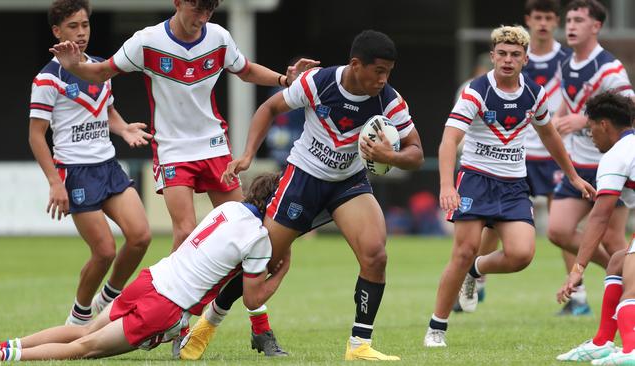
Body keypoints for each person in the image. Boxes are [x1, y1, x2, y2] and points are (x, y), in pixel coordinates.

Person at [49, 0, 317, 355]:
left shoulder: (218, 37)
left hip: (214, 147)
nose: (202, 17)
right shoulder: (146, 41)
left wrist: (285, 79)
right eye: (197, 8)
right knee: (186, 233)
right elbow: (101, 73)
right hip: (174, 150)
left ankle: (258, 329)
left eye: (209, 10)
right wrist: (75, 66)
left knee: (255, 236)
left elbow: (247, 70)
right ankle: (181, 328)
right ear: (178, 3)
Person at [219, 30, 424, 361]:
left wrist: (391, 157)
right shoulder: (318, 83)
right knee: (263, 261)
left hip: (348, 183)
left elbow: (416, 152)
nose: (384, 79)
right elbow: (269, 109)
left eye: (389, 72)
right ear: (356, 65)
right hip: (304, 178)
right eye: (379, 71)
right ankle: (209, 321)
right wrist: (245, 155)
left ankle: (359, 345)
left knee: (375, 255)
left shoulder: (389, 99)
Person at [0, 173, 288, 362]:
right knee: (87, 346)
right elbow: (252, 298)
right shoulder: (259, 238)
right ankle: (4, 355)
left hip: (151, 278)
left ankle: (1, 345)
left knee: (86, 329)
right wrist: (282, 270)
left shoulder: (228, 207)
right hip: (165, 304)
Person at [423, 25, 595, 348]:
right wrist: (447, 185)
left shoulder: (534, 93)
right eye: (501, 53)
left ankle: (476, 271)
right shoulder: (476, 91)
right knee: (461, 252)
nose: (507, 59)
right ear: (492, 56)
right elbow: (449, 141)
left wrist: (572, 176)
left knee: (521, 254)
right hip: (475, 179)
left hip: (515, 183)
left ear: (525, 59)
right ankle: (437, 327)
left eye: (515, 54)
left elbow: (549, 135)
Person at [29, 0, 152, 326]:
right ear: (57, 32)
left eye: (84, 25)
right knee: (105, 251)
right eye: (72, 26)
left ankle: (108, 298)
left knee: (140, 236)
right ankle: (79, 316)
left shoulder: (100, 67)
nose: (81, 32)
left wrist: (124, 129)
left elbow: (106, 110)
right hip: (76, 172)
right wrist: (56, 183)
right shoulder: (47, 79)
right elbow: (36, 136)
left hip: (108, 166)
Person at [469, 0, 576, 314]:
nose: (542, 23)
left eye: (548, 18)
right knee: (492, 224)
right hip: (515, 152)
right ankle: (477, 280)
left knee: (560, 224)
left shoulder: (566, 58)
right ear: (528, 20)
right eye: (537, 17)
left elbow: (574, 95)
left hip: (552, 149)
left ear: (555, 22)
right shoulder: (509, 55)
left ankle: (577, 295)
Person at [546, 0, 633, 315]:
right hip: (578, 165)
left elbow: (629, 109)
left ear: (595, 26)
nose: (570, 25)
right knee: (557, 230)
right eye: (568, 19)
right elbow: (568, 104)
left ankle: (627, 286)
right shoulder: (566, 64)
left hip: (608, 166)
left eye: (578, 20)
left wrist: (584, 120)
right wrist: (556, 120)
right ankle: (622, 275)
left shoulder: (610, 68)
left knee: (612, 237)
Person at [555, 92, 635, 365]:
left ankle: (632, 351)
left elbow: (600, 217)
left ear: (604, 125)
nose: (590, 135)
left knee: (632, 286)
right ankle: (602, 342)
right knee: (616, 263)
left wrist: (577, 270)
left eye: (590, 128)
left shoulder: (616, 156)